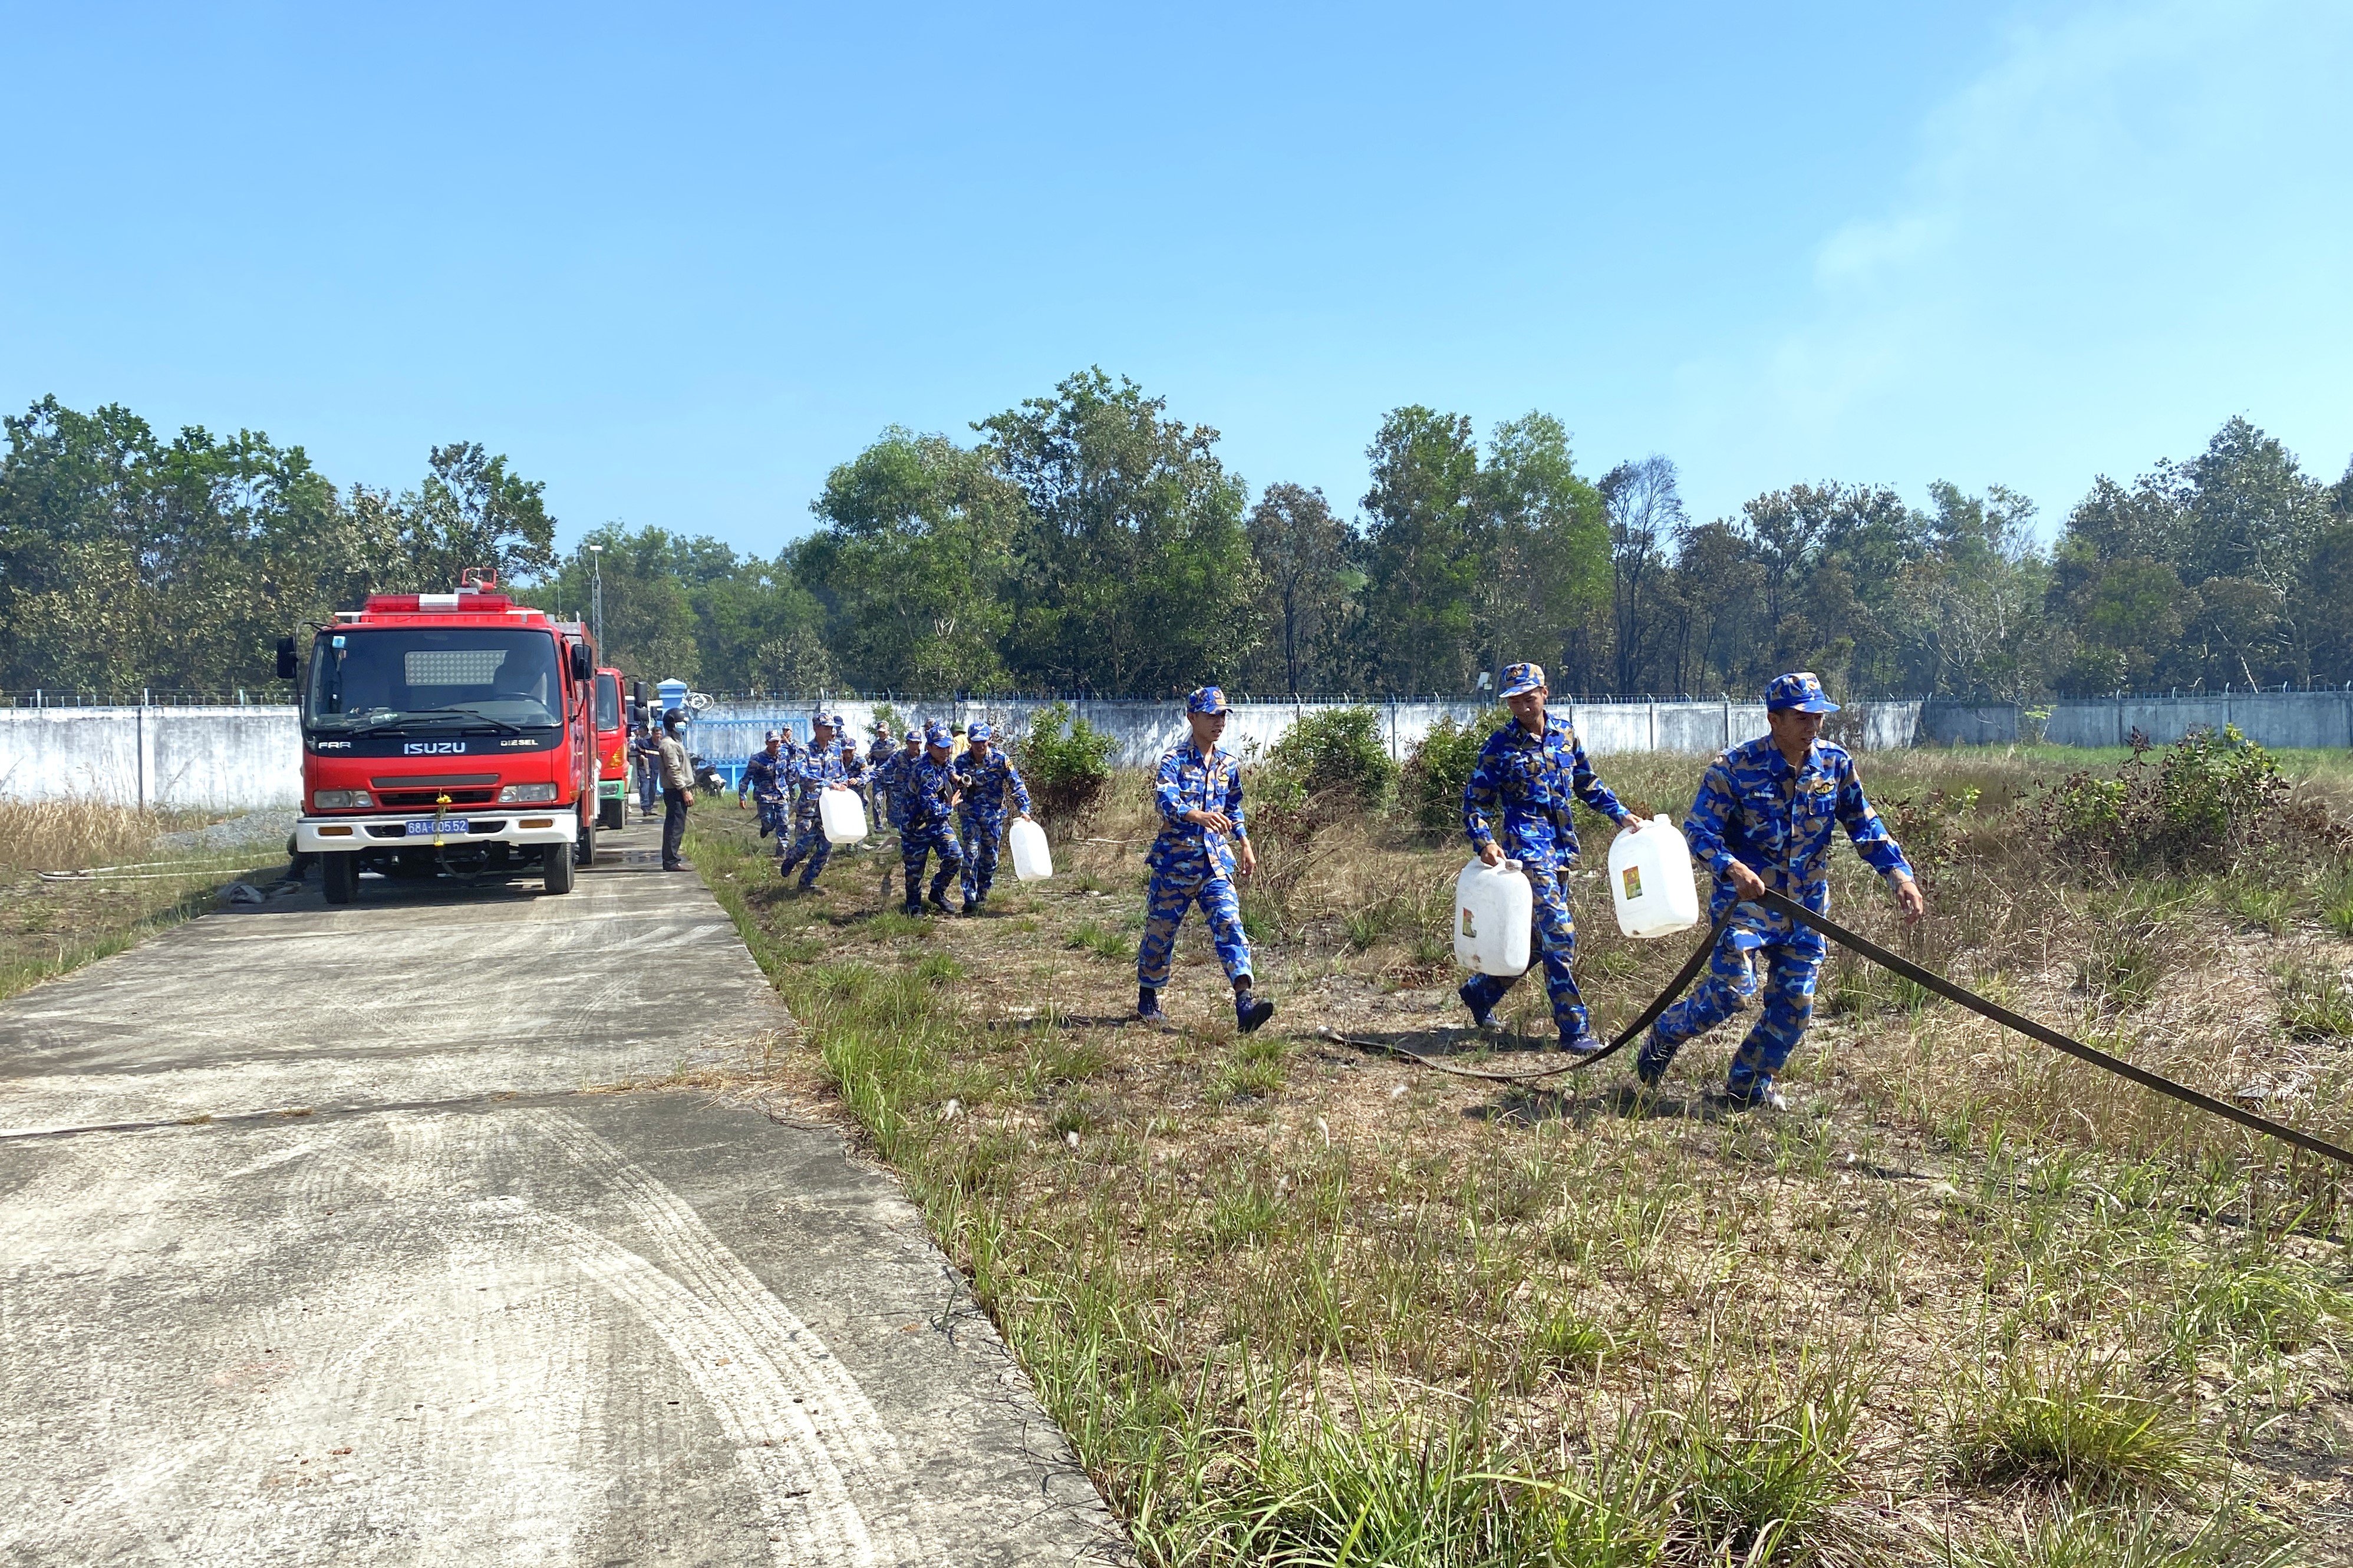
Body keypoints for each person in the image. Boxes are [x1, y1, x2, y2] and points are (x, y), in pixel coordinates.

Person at [1634, 672, 1926, 1111]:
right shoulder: (1733, 768)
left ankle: (1748, 1084)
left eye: (1819, 716)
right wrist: (1732, 867)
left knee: (1795, 1003)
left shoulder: (1834, 764)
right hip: (1747, 905)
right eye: (1802, 716)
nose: (1813, 725)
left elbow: (1865, 825)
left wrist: (1900, 876)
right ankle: (1665, 1035)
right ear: (1774, 719)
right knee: (1732, 991)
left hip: (1806, 908)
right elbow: (1698, 831)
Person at [1458, 662, 1649, 1053]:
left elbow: (1588, 784)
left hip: (1563, 850)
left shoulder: (1565, 735)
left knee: (1537, 943)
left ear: (1545, 693)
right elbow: (1474, 802)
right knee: (1560, 934)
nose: (1523, 706)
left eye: (1529, 697)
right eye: (1515, 700)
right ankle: (1574, 1029)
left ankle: (1480, 992)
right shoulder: (1500, 746)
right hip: (1527, 852)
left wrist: (1621, 814)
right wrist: (1484, 842)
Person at [1138, 686, 1273, 1032]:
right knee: (1160, 932)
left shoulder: (1228, 764)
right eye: (1211, 715)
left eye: (1223, 715)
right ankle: (1149, 997)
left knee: (1230, 923)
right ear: (1192, 717)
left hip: (1215, 864)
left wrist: (1244, 842)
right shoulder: (1174, 760)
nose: (1218, 722)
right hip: (1175, 864)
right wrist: (1197, 815)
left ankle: (1245, 1004)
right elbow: (1165, 803)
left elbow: (1233, 806)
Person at [951, 721, 1033, 913]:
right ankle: (969, 899)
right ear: (970, 741)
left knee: (990, 858)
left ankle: (983, 893)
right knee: (970, 853)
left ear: (990, 740)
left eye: (984, 742)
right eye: (976, 742)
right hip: (970, 814)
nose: (980, 746)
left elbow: (1016, 783)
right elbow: (953, 785)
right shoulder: (961, 762)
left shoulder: (1000, 759)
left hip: (994, 816)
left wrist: (1024, 808)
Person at [776, 711, 852, 890]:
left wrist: (844, 782)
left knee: (826, 848)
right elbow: (802, 777)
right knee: (805, 844)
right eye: (826, 727)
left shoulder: (836, 749)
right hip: (809, 807)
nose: (830, 731)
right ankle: (792, 858)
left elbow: (841, 773)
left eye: (831, 728)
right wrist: (829, 784)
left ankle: (806, 883)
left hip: (830, 809)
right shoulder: (805, 751)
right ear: (816, 728)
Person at [899, 722, 967, 916]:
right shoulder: (925, 772)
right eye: (940, 747)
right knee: (914, 871)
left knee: (955, 856)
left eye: (948, 746)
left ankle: (937, 892)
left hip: (937, 824)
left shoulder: (944, 760)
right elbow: (931, 808)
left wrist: (954, 778)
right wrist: (951, 805)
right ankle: (914, 908)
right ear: (929, 748)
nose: (946, 751)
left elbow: (949, 769)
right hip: (917, 826)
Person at [871, 726, 924, 901]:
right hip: (901, 794)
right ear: (907, 743)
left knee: (918, 823)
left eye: (917, 743)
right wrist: (868, 776)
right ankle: (905, 844)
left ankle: (914, 845)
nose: (914, 746)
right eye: (912, 743)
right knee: (899, 821)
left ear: (920, 744)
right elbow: (886, 768)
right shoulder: (900, 756)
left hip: (918, 797)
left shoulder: (925, 759)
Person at [655, 708, 695, 872]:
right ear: (671, 724)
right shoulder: (669, 745)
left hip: (677, 790)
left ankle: (671, 859)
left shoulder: (675, 742)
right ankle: (671, 861)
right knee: (675, 826)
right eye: (680, 722)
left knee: (676, 825)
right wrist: (684, 790)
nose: (683, 725)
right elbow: (673, 770)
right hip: (676, 791)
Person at [737, 730, 792, 847]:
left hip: (781, 794)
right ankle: (767, 827)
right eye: (773, 742)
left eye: (778, 741)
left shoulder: (784, 756)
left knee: (784, 822)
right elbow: (746, 779)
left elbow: (791, 770)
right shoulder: (757, 760)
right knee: (768, 822)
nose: (776, 744)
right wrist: (742, 796)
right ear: (767, 743)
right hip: (765, 796)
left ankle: (782, 851)